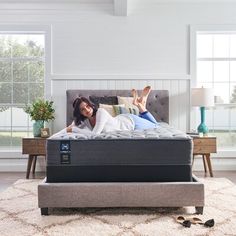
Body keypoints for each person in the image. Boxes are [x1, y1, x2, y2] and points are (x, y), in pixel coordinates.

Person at [66, 86, 158, 134]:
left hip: (131, 122)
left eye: (87, 106)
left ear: (90, 105)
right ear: (80, 113)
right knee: (147, 121)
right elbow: (70, 127)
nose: (87, 110)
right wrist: (71, 127)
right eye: (82, 109)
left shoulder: (101, 112)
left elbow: (94, 134)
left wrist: (74, 130)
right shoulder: (86, 121)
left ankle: (140, 105)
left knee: (155, 125)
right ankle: (141, 104)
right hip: (121, 118)